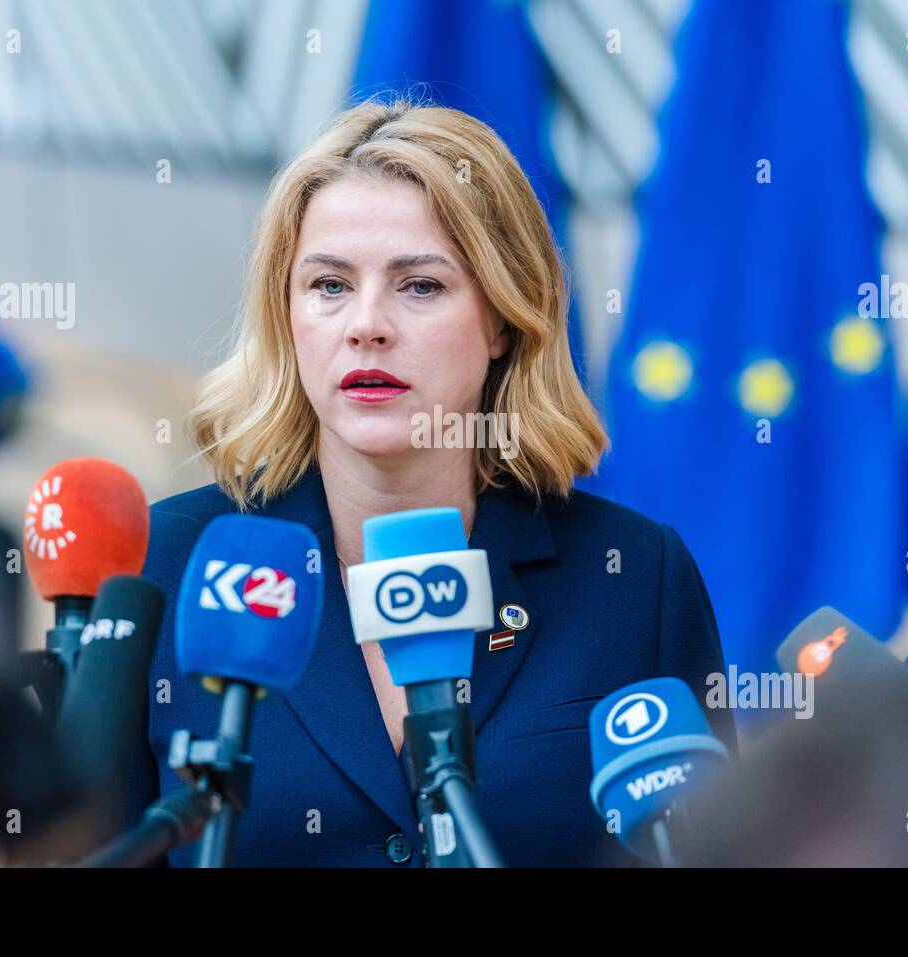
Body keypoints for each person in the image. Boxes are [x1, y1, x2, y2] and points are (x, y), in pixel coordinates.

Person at [122, 96, 737, 866]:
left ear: (505, 318)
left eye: (419, 285)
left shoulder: (635, 576)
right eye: (329, 285)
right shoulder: (170, 564)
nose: (366, 324)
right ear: (287, 314)